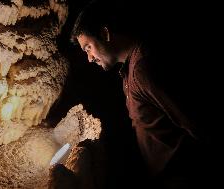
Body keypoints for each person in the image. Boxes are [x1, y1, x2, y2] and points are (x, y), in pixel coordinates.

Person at [68, 0, 217, 188]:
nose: (89, 58)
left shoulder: (144, 69)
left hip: (185, 175)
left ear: (105, 34)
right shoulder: (128, 71)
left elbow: (193, 121)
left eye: (88, 47)